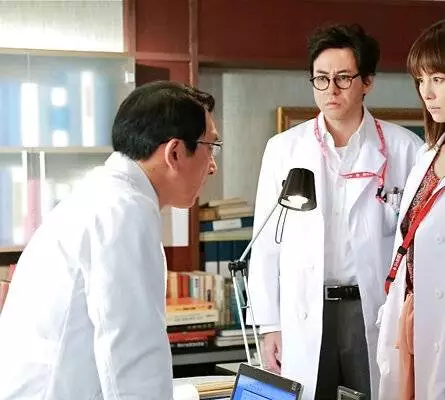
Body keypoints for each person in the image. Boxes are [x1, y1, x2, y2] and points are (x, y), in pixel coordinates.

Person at [0, 81, 220, 399]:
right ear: (174, 152)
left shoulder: (103, 193)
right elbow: (133, 355)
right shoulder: (125, 210)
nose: (212, 165)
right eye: (210, 146)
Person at [247, 24, 423, 400]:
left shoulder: (405, 148)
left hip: (374, 308)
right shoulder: (283, 149)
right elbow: (265, 245)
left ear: (367, 81)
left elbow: (417, 247)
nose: (331, 90)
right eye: (321, 79)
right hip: (305, 309)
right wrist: (269, 324)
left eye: (343, 78)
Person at [377, 19, 445, 400]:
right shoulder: (427, 155)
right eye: (421, 80)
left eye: (438, 78)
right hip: (413, 319)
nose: (427, 93)